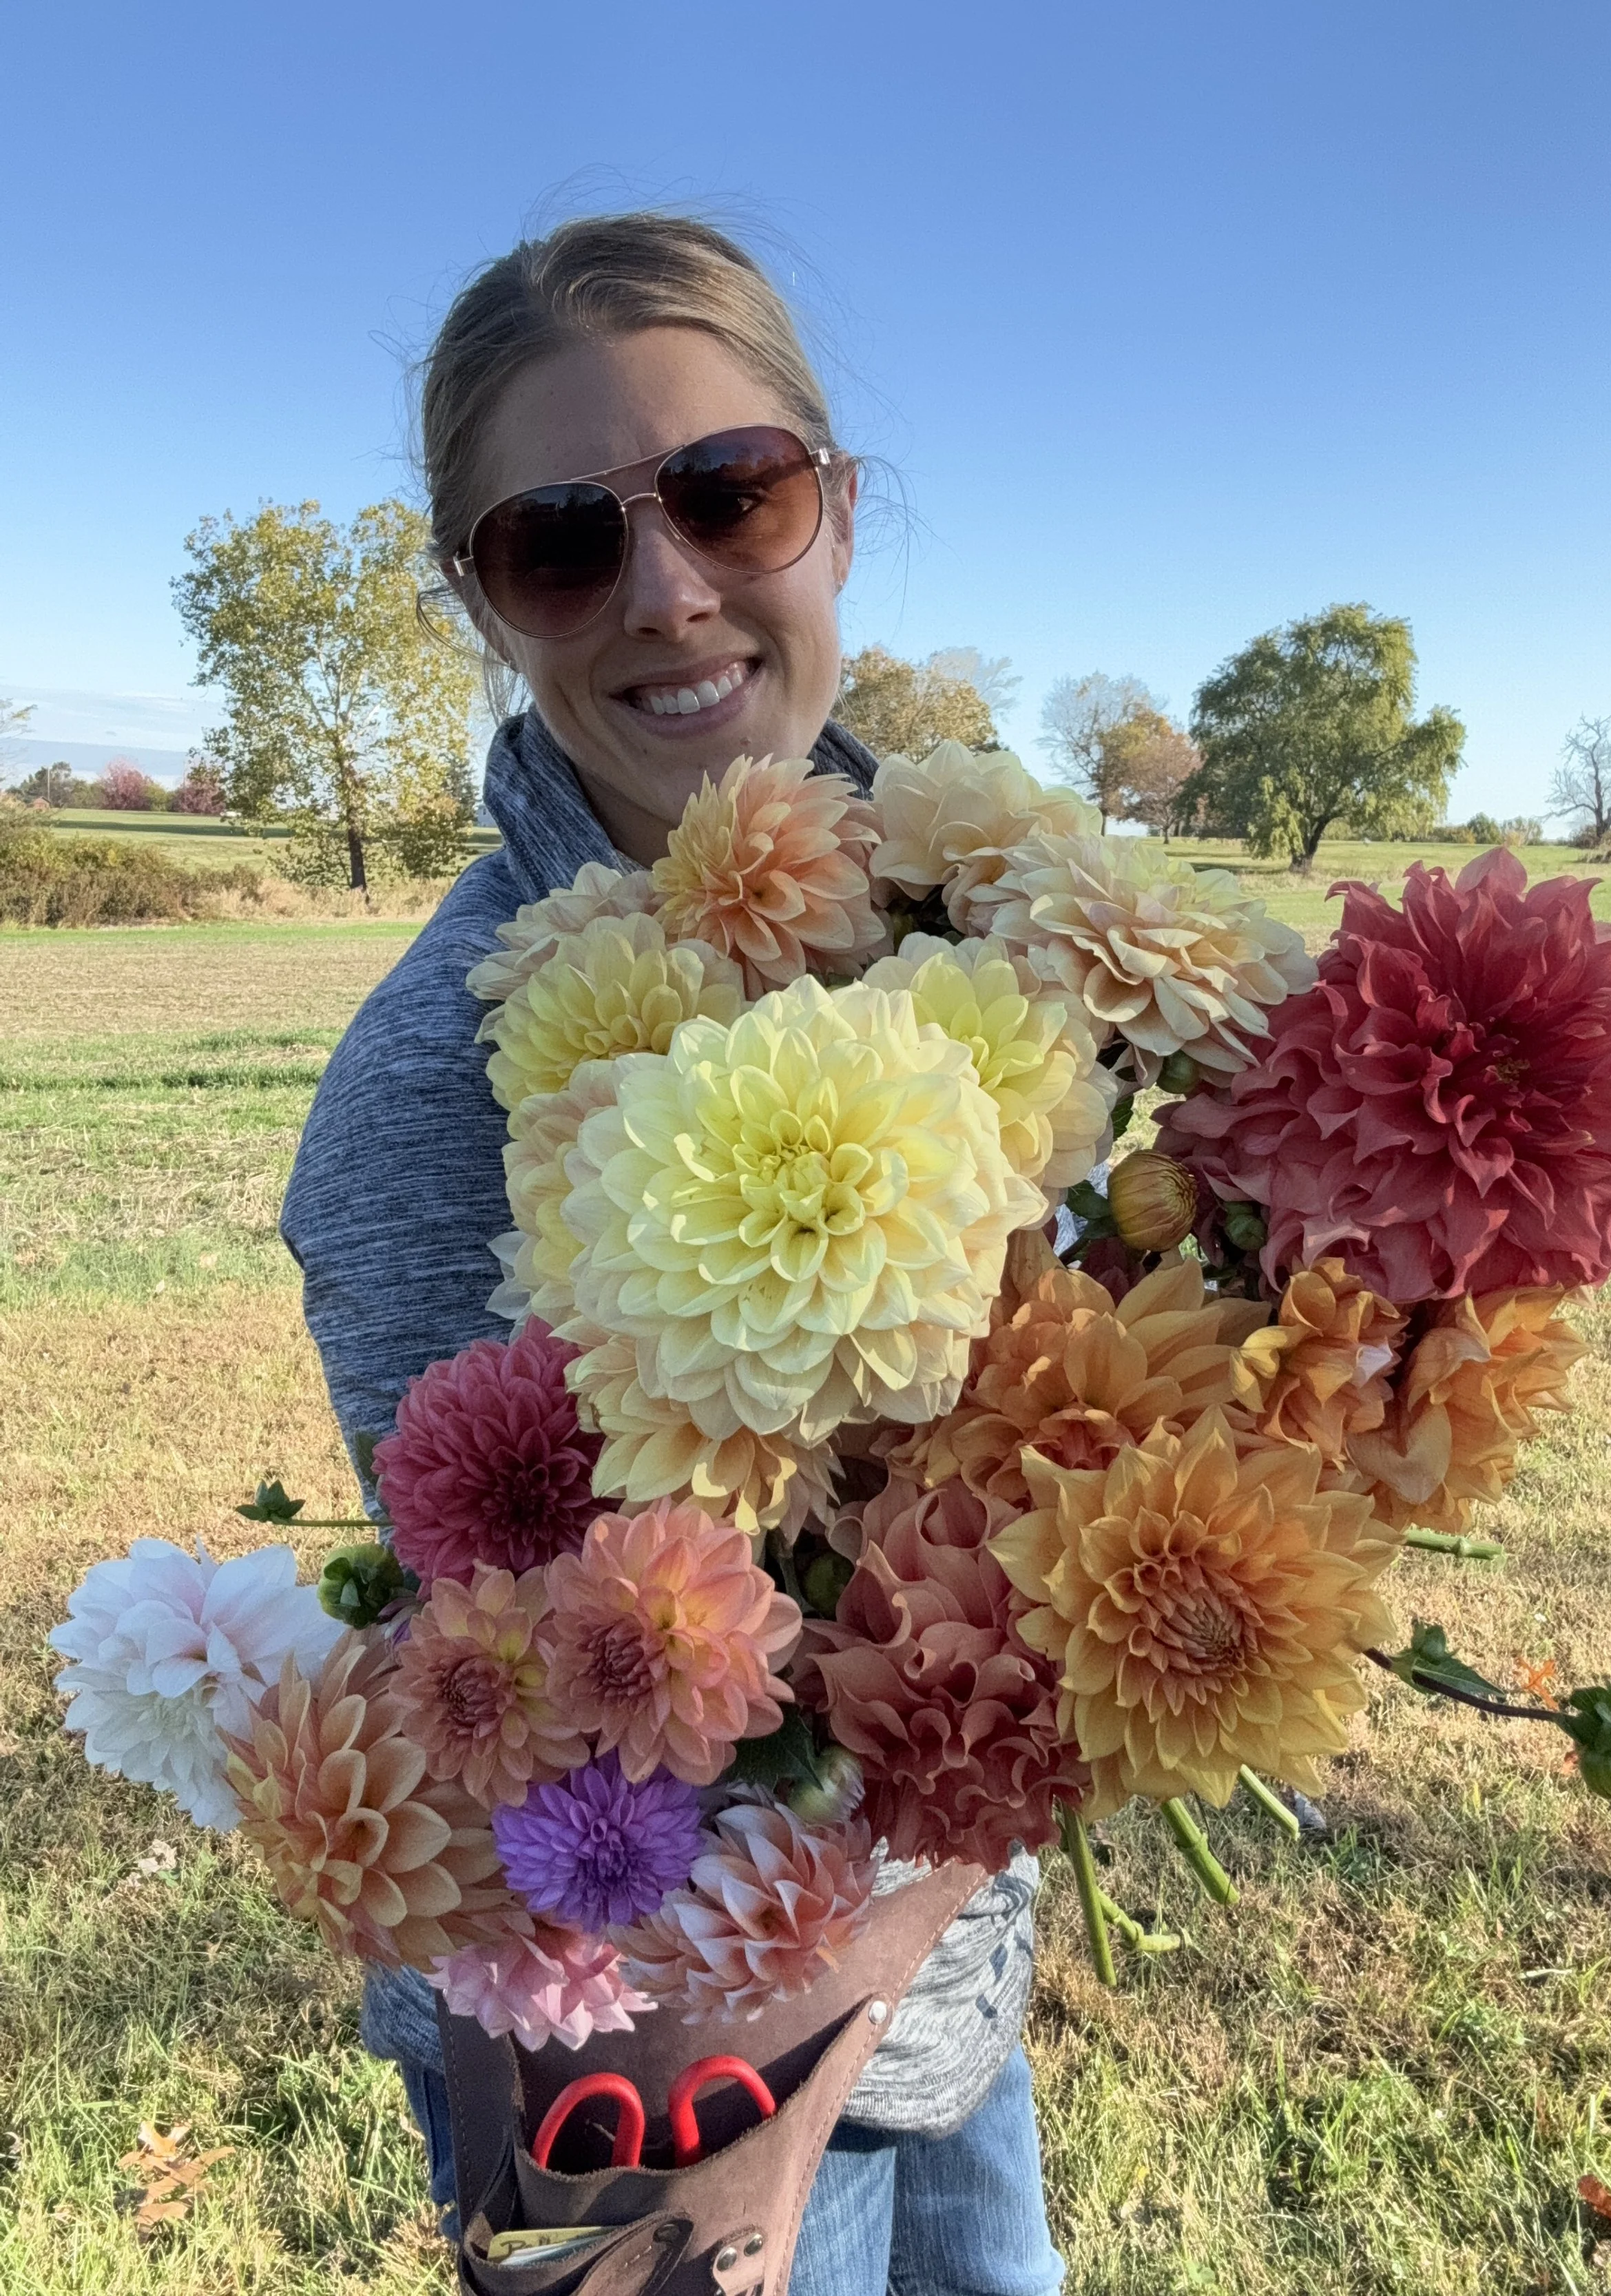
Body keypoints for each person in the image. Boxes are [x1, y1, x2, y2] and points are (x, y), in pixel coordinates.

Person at [281, 211, 1065, 2296]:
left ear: (834, 509)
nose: (667, 588)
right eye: (560, 539)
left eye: (731, 491)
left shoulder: (982, 926)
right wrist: (704, 2155)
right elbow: (553, 1741)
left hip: (945, 1984)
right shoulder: (433, 1095)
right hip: (679, 2068)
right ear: (482, 598)